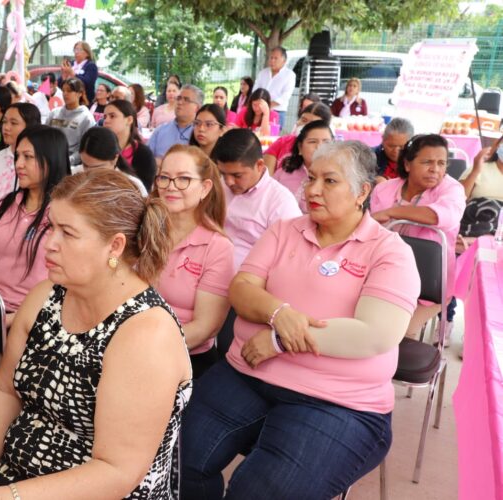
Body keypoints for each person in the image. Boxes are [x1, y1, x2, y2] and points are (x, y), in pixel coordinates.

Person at [181, 140, 421, 499]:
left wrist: (278, 341)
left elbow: (374, 335)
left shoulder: (390, 252)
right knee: (179, 459)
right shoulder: (284, 230)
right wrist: (280, 314)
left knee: (256, 493)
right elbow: (242, 289)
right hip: (247, 375)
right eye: (311, 178)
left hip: (337, 401)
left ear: (362, 192)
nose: (313, 190)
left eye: (330, 181)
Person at [0, 169, 191, 499]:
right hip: (13, 482)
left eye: (68, 233)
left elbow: (116, 472)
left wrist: (3, 497)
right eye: (52, 227)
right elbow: (6, 388)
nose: (49, 244)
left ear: (115, 245)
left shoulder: (145, 334)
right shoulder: (47, 295)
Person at [0, 125, 69, 327]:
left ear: (51, 159)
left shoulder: (65, 215)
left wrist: (12, 320)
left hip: (42, 317)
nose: (19, 164)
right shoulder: (5, 204)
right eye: (17, 156)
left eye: (28, 157)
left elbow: (68, 283)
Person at [370, 134, 466, 338]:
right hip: (385, 276)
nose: (435, 169)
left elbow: (440, 216)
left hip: (429, 285)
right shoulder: (385, 190)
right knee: (364, 324)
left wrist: (393, 213)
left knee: (396, 334)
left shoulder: (452, 189)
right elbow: (373, 231)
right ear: (407, 164)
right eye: (427, 162)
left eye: (441, 163)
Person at [152, 145, 233, 378]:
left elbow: (204, 328)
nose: (171, 187)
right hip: (129, 342)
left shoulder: (217, 247)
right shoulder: (145, 230)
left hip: (184, 358)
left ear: (205, 188)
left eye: (184, 179)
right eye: (164, 178)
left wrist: (147, 346)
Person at [212, 128, 301, 271]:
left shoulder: (280, 202)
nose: (229, 182)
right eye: (223, 173)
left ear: (259, 165)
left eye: (237, 175)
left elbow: (289, 256)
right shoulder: (220, 185)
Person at [0, 102, 41, 209]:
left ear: (31, 126)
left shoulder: (39, 163)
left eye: (13, 123)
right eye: (4, 122)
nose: (6, 127)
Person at [274, 120, 335, 212]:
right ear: (300, 148)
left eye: (326, 142)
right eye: (312, 142)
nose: (319, 147)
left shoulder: (340, 177)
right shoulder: (284, 172)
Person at [102, 99, 157, 192]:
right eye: (105, 117)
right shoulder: (101, 148)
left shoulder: (143, 154)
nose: (106, 121)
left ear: (129, 120)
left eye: (112, 116)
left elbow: (144, 191)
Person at [263, 101, 332, 174]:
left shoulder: (326, 152)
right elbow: (267, 176)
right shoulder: (283, 141)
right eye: (304, 120)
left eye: (313, 124)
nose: (305, 125)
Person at [77, 126, 147, 195]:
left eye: (97, 168)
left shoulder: (133, 187)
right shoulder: (74, 175)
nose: (89, 172)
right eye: (85, 165)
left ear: (115, 159)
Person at [46, 77, 95, 166]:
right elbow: (44, 137)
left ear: (79, 93)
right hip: (49, 160)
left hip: (71, 166)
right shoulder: (54, 113)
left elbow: (85, 148)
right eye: (63, 90)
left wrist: (68, 161)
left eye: (69, 91)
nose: (65, 94)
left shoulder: (86, 118)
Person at [148, 84, 202, 163]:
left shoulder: (200, 133)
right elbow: (146, 158)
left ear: (197, 108)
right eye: (179, 98)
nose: (180, 102)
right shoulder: (160, 130)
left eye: (186, 100)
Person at [253, 46, 296, 129]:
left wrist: (267, 105)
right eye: (271, 58)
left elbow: (285, 96)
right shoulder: (263, 73)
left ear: (284, 61)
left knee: (270, 138)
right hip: (258, 110)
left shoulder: (289, 75)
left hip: (277, 111)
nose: (272, 60)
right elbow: (255, 91)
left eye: (276, 58)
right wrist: (259, 105)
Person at [373, 117, 414, 183]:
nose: (396, 151)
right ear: (383, 140)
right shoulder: (371, 157)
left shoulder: (416, 161)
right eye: (391, 146)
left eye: (401, 147)